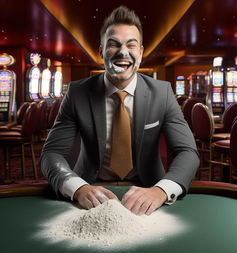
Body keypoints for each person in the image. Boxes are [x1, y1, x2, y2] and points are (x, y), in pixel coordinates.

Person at [40, 6, 199, 216]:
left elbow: (188, 152)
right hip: (91, 190)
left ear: (141, 53)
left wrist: (161, 190)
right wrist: (78, 188)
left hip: (148, 189)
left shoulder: (163, 93)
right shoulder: (77, 93)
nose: (123, 52)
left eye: (131, 45)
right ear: (101, 51)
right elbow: (51, 153)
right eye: (113, 45)